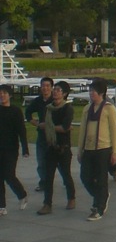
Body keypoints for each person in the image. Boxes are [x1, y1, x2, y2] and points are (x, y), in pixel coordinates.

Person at [77, 78, 116, 221]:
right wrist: (80, 149)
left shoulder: (109, 108)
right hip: (88, 149)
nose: (91, 93)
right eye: (90, 91)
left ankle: (99, 207)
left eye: (93, 91)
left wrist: (115, 152)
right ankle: (102, 196)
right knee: (85, 177)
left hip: (103, 148)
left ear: (101, 93)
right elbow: (82, 130)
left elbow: (114, 131)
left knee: (101, 179)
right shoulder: (87, 109)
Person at [37, 81, 75, 215]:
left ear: (64, 93)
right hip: (51, 146)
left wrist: (48, 127)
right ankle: (47, 203)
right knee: (48, 177)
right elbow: (42, 123)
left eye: (58, 90)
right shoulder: (48, 108)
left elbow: (65, 127)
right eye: (55, 89)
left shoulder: (68, 108)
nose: (55, 92)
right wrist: (48, 127)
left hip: (63, 147)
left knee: (66, 175)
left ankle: (71, 198)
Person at [0, 84, 30, 216]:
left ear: (10, 95)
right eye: (0, 93)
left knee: (9, 174)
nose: (2, 95)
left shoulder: (16, 111)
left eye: (5, 93)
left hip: (11, 149)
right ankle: (1, 206)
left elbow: (21, 131)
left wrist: (25, 148)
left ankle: (22, 194)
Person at [24, 77, 53, 193]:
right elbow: (28, 112)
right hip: (41, 135)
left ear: (51, 87)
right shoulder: (38, 100)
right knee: (41, 162)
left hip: (53, 136)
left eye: (47, 86)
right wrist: (35, 123)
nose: (45, 88)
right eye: (43, 86)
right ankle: (44, 182)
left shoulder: (55, 100)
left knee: (58, 164)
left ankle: (66, 182)